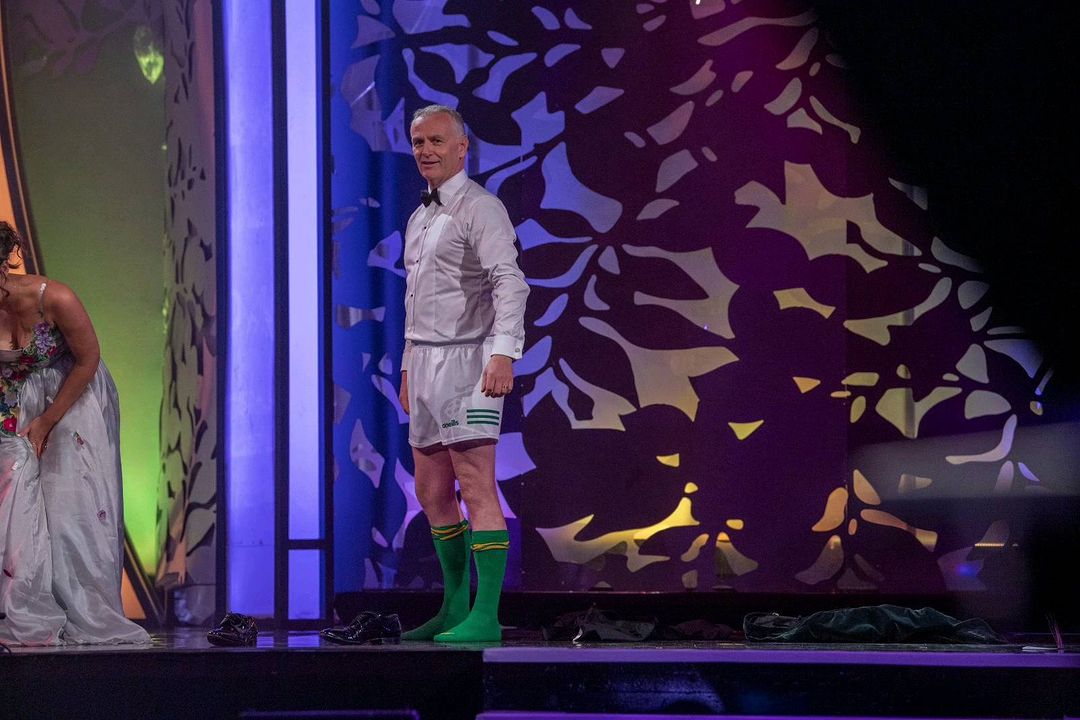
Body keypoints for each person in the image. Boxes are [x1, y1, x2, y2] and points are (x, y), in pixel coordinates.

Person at [397, 105, 528, 642]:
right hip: (425, 362)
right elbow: (414, 300)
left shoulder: (482, 208)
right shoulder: (420, 217)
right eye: (418, 141)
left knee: (474, 483)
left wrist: (503, 354)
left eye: (436, 141)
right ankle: (454, 607)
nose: (425, 150)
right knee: (431, 490)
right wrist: (408, 366)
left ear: (461, 147)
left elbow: (509, 282)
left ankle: (486, 616)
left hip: (470, 362)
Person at [0, 221, 149, 646]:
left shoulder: (54, 297)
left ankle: (84, 611)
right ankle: (29, 607)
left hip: (72, 393)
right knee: (19, 496)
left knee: (68, 501)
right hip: (17, 396)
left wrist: (48, 421)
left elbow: (88, 359)